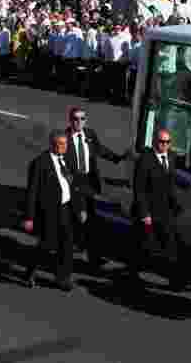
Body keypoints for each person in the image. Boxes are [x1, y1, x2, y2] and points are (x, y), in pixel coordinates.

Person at [64, 106, 127, 271]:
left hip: (89, 183)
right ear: (70, 121)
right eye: (75, 119)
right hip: (74, 183)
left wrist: (118, 158)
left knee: (92, 220)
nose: (79, 122)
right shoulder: (64, 138)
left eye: (82, 119)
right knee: (81, 218)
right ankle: (66, 250)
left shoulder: (90, 135)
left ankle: (93, 257)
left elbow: (100, 150)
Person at [22, 129, 80, 291]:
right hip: (49, 210)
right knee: (46, 244)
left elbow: (74, 184)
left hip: (65, 208)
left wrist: (79, 207)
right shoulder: (40, 163)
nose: (64, 147)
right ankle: (30, 270)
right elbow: (32, 192)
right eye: (60, 144)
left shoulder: (67, 159)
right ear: (52, 144)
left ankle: (63, 278)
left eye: (65, 144)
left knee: (67, 243)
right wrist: (29, 217)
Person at [127, 128, 185, 290]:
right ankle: (132, 273)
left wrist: (176, 205)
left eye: (167, 142)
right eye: (161, 142)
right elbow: (139, 189)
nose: (164, 145)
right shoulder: (145, 160)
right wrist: (144, 213)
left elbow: (171, 181)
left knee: (171, 245)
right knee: (142, 245)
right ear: (155, 142)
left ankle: (175, 280)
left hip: (165, 210)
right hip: (148, 211)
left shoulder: (171, 157)